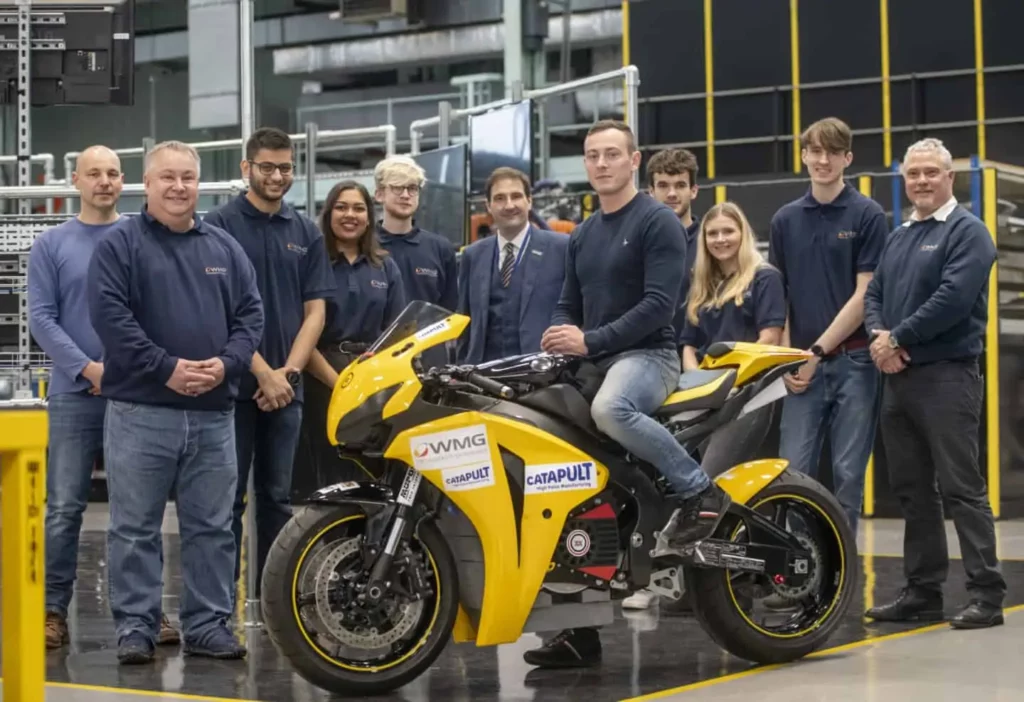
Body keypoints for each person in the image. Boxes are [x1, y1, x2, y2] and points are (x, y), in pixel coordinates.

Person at [526, 119, 728, 669]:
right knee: (560, 479)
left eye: (612, 154)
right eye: (592, 155)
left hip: (649, 357)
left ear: (634, 161)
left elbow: (659, 307)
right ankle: (576, 633)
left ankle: (697, 492)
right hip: (595, 358)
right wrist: (560, 337)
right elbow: (569, 301)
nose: (601, 163)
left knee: (610, 408)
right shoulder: (585, 233)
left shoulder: (657, 221)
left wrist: (589, 340)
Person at [87, 140, 263, 664]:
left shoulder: (224, 248)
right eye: (168, 178)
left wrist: (227, 364)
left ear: (199, 182)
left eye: (188, 178)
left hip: (213, 416)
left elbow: (251, 316)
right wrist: (167, 368)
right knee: (134, 526)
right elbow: (110, 319)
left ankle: (209, 624)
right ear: (148, 183)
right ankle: (136, 627)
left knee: (212, 526)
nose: (179, 187)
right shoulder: (120, 245)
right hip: (141, 413)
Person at [29, 145, 180, 649]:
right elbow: (42, 319)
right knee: (65, 506)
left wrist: (126, 369)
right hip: (76, 395)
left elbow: (156, 309)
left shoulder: (142, 236)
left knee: (138, 510)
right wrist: (88, 368)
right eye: (94, 173)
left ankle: (144, 613)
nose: (105, 181)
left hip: (135, 393)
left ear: (125, 180)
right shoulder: (52, 244)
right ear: (76, 180)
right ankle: (52, 609)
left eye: (113, 173)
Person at [863, 138, 1005, 629]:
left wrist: (897, 338)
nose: (921, 181)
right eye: (913, 174)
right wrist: (882, 340)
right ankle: (922, 592)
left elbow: (952, 300)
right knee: (912, 490)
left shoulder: (969, 233)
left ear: (950, 177)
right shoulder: (900, 234)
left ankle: (987, 594)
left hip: (948, 377)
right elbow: (875, 293)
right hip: (898, 379)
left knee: (962, 488)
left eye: (930, 173)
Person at [202, 127, 335, 598]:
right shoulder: (218, 225)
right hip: (233, 389)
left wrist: (289, 374)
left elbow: (314, 312)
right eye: (267, 167)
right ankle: (221, 603)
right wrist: (261, 371)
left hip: (287, 390)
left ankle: (273, 601)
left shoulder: (303, 232)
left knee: (279, 500)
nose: (277, 176)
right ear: (246, 169)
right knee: (226, 503)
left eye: (284, 167)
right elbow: (216, 311)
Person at [767, 117, 889, 530]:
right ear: (803, 155)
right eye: (815, 151)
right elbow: (778, 293)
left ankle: (841, 576)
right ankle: (797, 575)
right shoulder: (784, 219)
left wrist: (815, 352)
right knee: (791, 474)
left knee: (848, 477)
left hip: (854, 364)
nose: (823, 159)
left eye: (832, 152)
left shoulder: (868, 214)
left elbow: (864, 295)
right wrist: (789, 358)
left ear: (847, 158)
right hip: (800, 368)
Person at [299, 180, 407, 484]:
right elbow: (303, 331)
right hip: (323, 379)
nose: (351, 215)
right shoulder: (312, 263)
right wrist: (340, 385)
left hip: (373, 382)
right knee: (330, 473)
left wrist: (371, 381)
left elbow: (397, 331)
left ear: (369, 216)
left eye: (359, 208)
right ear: (328, 213)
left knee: (374, 474)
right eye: (341, 207)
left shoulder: (384, 266)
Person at [456, 167, 567, 364]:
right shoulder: (472, 256)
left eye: (516, 196)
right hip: (483, 376)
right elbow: (465, 324)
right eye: (499, 198)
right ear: (488, 206)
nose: (509, 205)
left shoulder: (561, 248)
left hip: (543, 373)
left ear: (529, 201)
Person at [374, 156, 458, 310]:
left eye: (412, 188)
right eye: (397, 187)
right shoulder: (365, 245)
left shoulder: (440, 248)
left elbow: (450, 312)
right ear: (379, 194)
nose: (406, 195)